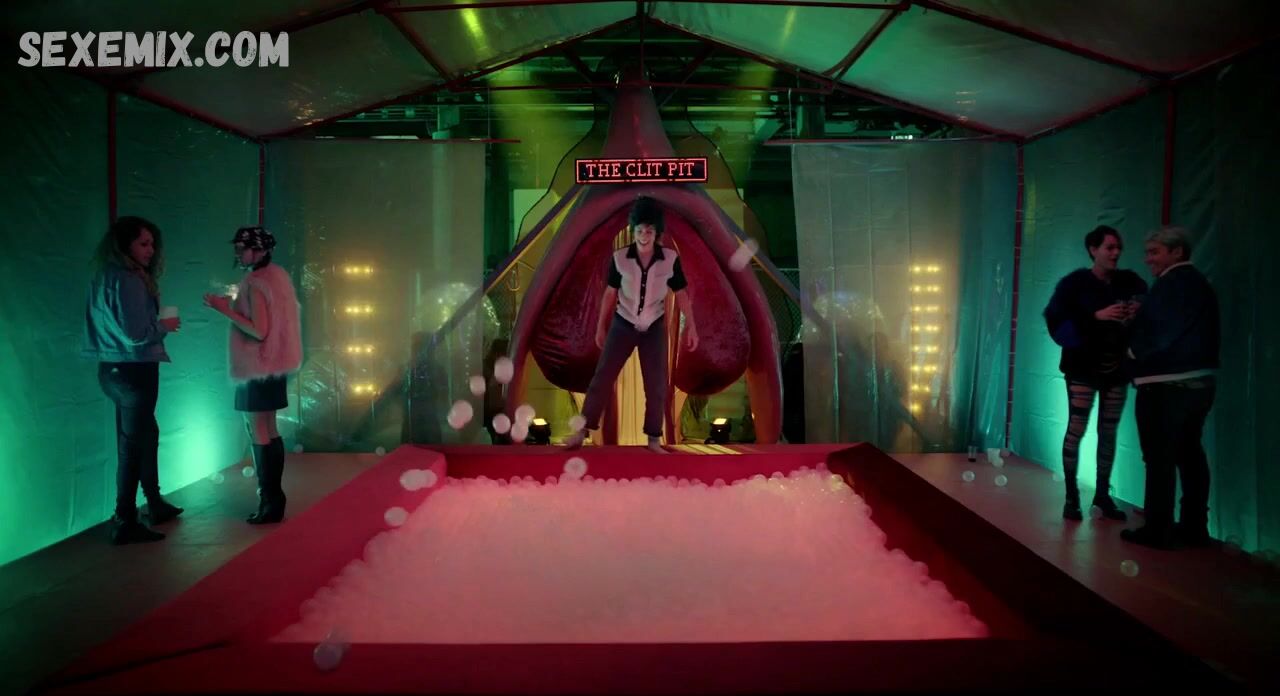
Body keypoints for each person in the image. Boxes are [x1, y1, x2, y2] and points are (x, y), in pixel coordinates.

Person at [564, 196, 699, 453]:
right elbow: (609, 293)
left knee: (656, 384)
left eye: (649, 231)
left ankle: (653, 439)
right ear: (633, 231)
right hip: (623, 324)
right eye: (639, 231)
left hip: (654, 327)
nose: (644, 236)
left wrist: (691, 325)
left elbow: (681, 293)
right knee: (603, 376)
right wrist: (601, 327)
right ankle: (581, 431)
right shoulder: (620, 258)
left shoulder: (670, 259)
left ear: (656, 233)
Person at [83, 216, 184, 545]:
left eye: (152, 244)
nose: (151, 250)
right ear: (125, 245)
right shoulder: (128, 279)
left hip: (113, 368)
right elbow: (136, 333)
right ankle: (125, 517)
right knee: (133, 444)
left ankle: (152, 503)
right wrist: (165, 326)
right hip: (134, 369)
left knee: (143, 435)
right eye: (143, 243)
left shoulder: (106, 275)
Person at [1123, 226, 1219, 549]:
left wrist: (1133, 350)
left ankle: (1158, 529)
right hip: (1198, 383)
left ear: (1177, 252)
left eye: (1154, 252)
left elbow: (1163, 330)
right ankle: (1193, 527)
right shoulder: (1196, 283)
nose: (1147, 259)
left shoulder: (1173, 284)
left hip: (1165, 385)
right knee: (1190, 454)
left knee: (1159, 458)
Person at [1043, 225, 1148, 521]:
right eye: (1109, 247)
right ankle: (1071, 496)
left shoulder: (1129, 282)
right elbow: (1055, 320)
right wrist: (1094, 317)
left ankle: (1102, 495)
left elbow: (1148, 304)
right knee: (1077, 428)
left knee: (1108, 431)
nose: (1116, 253)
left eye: (1118, 248)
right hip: (1083, 367)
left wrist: (1136, 310)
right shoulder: (1074, 284)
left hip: (1116, 367)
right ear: (1093, 249)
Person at [204, 227, 302, 524]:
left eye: (242, 248)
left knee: (258, 429)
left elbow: (259, 330)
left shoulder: (256, 282)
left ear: (259, 250)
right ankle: (274, 499)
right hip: (273, 366)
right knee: (270, 428)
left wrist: (224, 309)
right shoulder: (277, 277)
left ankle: (269, 500)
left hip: (256, 366)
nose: (238, 253)